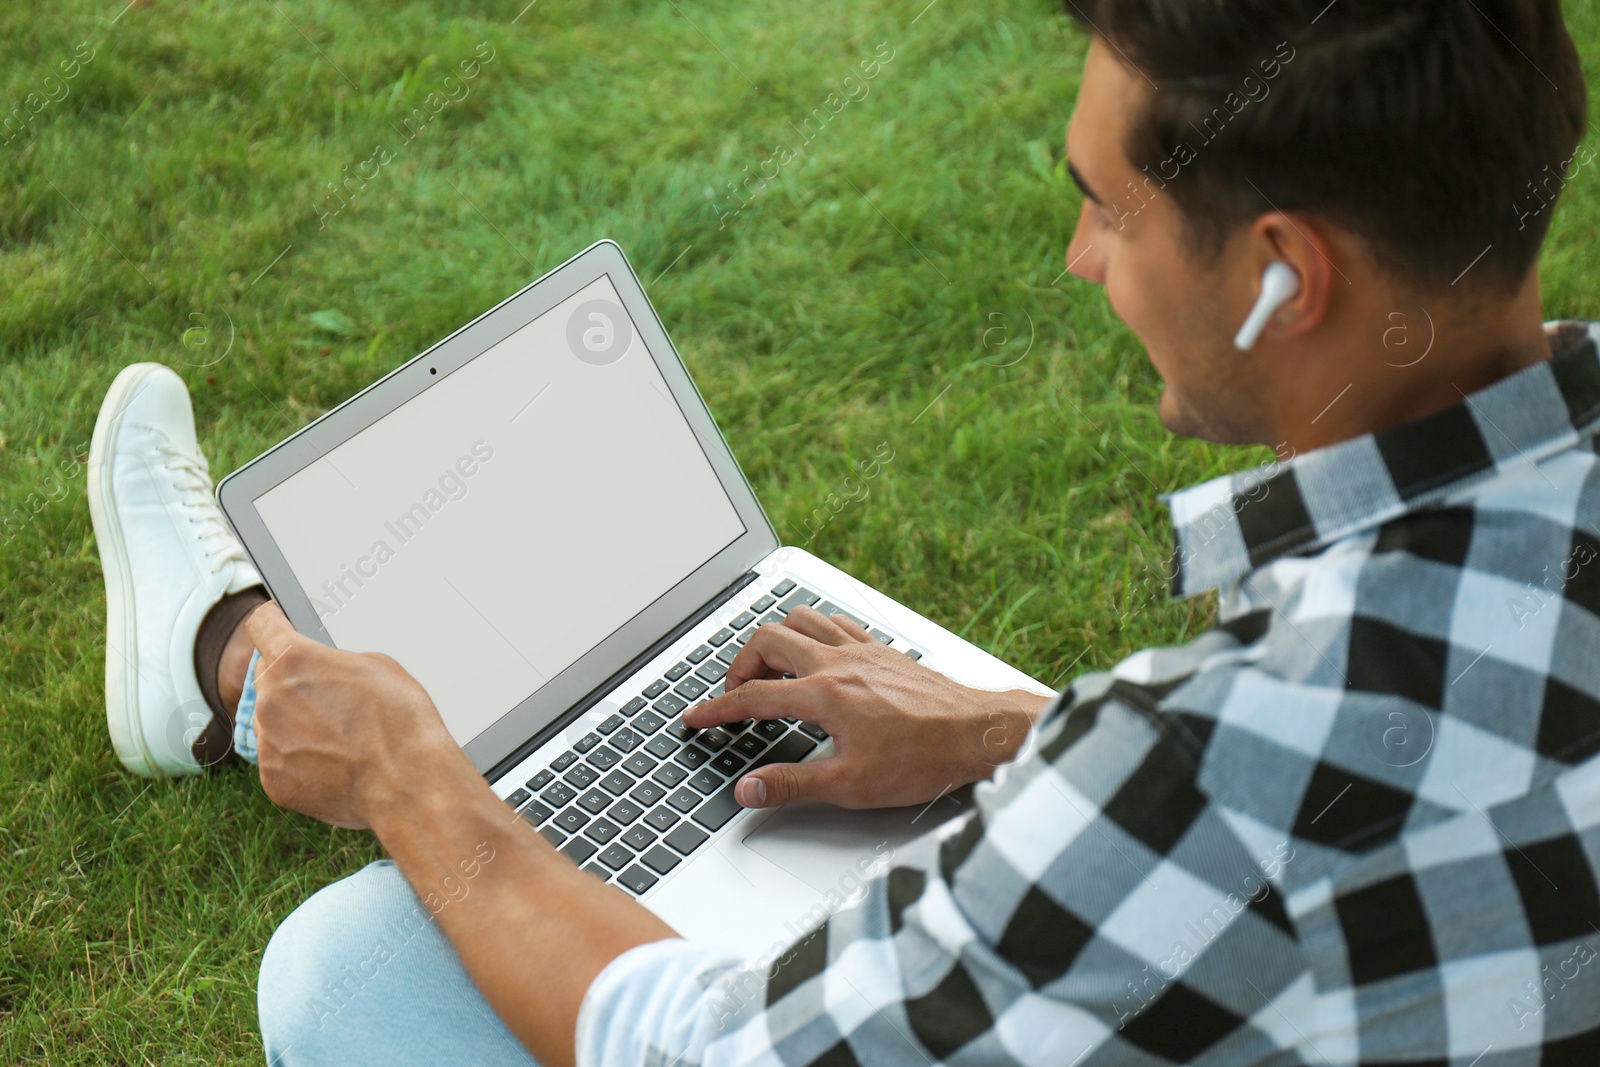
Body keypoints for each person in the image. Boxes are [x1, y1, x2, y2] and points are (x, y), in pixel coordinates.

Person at [86, 1, 1600, 1063]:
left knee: (342, 969)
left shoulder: (1215, 775)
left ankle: (229, 645)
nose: (1080, 256)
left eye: (1108, 206)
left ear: (1283, 274)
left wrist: (420, 787)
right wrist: (1029, 736)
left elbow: (707, 1054)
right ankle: (224, 651)